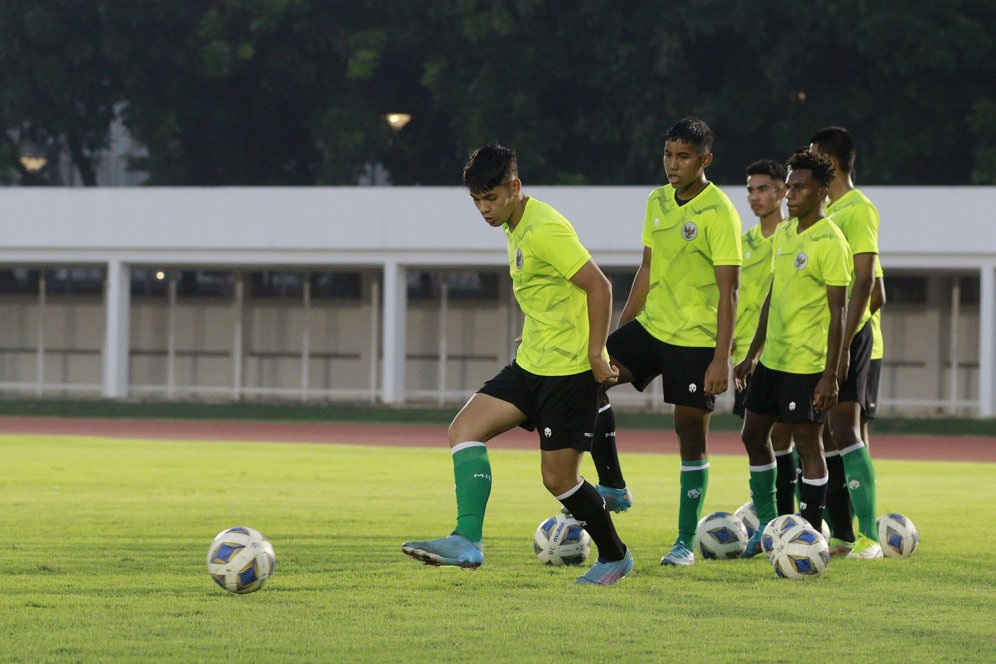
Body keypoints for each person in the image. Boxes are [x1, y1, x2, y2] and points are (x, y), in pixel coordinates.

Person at [401, 144, 633, 585]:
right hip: (531, 365)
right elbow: (550, 289)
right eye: (476, 201)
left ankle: (615, 555)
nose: (484, 210)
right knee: (463, 430)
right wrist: (536, 325)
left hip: (568, 374)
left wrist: (596, 353)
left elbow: (599, 286)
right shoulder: (515, 225)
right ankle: (467, 538)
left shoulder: (543, 228)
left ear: (515, 187)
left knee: (559, 481)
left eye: (491, 199)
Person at [601, 117, 742, 567]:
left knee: (689, 434)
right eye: (668, 155)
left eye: (683, 157)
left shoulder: (720, 212)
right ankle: (612, 483)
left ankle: (683, 542)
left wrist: (722, 359)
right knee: (588, 376)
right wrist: (620, 332)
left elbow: (730, 292)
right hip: (653, 327)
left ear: (705, 159)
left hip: (697, 342)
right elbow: (646, 268)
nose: (673, 165)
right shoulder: (657, 200)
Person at [734, 149, 851, 543]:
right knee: (752, 435)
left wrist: (831, 375)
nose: (791, 195)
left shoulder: (831, 240)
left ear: (821, 192)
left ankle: (811, 533)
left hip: (807, 364)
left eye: (800, 188)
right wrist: (752, 354)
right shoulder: (784, 234)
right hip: (772, 360)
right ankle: (769, 525)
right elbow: (773, 296)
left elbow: (840, 313)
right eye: (791, 187)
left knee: (807, 444)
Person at [811, 126, 883, 559]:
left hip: (850, 339)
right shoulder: (828, 214)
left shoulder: (858, 209)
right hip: (820, 340)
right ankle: (841, 534)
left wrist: (841, 347)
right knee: (823, 436)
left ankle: (869, 536)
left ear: (830, 163)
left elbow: (867, 285)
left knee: (845, 431)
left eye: (813, 156)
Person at [734, 159, 798, 517]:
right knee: (758, 440)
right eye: (750, 189)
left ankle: (791, 520)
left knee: (785, 439)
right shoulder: (741, 243)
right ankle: (774, 520)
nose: (754, 197)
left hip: (784, 355)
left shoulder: (794, 237)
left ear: (781, 192)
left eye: (763, 189)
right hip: (744, 357)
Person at [863, 265, 886, 448]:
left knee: (857, 425)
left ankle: (864, 478)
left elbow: (879, 295)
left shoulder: (864, 249)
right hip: (830, 349)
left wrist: (854, 325)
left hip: (867, 349)